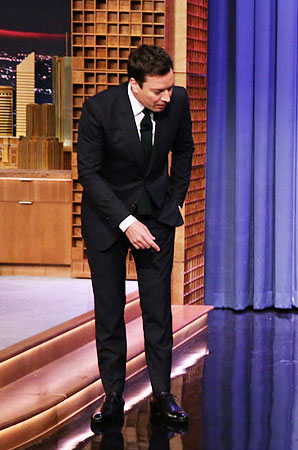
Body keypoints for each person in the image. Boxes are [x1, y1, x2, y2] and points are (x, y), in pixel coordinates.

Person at [77, 44, 194, 430]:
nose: (167, 97)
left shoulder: (177, 101)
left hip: (157, 216)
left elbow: (185, 152)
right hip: (109, 220)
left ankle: (162, 393)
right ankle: (113, 396)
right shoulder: (99, 109)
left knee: (158, 310)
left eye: (170, 88)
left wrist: (173, 203)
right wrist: (126, 222)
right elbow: (89, 174)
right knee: (110, 311)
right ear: (135, 85)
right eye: (158, 91)